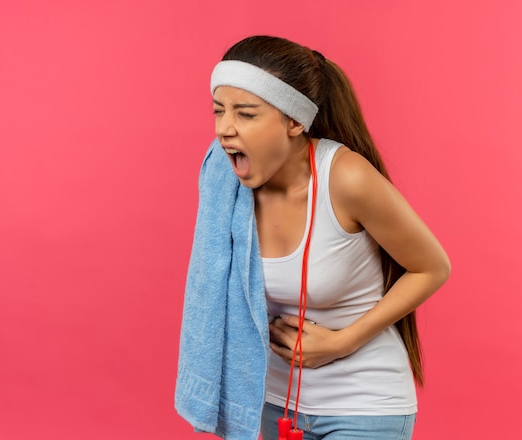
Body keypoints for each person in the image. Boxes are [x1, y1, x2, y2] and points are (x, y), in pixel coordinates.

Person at [177, 35, 450, 440]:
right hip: (267, 402)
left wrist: (342, 342)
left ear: (294, 121)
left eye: (246, 114)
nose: (224, 129)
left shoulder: (346, 179)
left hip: (364, 405)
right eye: (219, 111)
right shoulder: (225, 183)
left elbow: (431, 267)